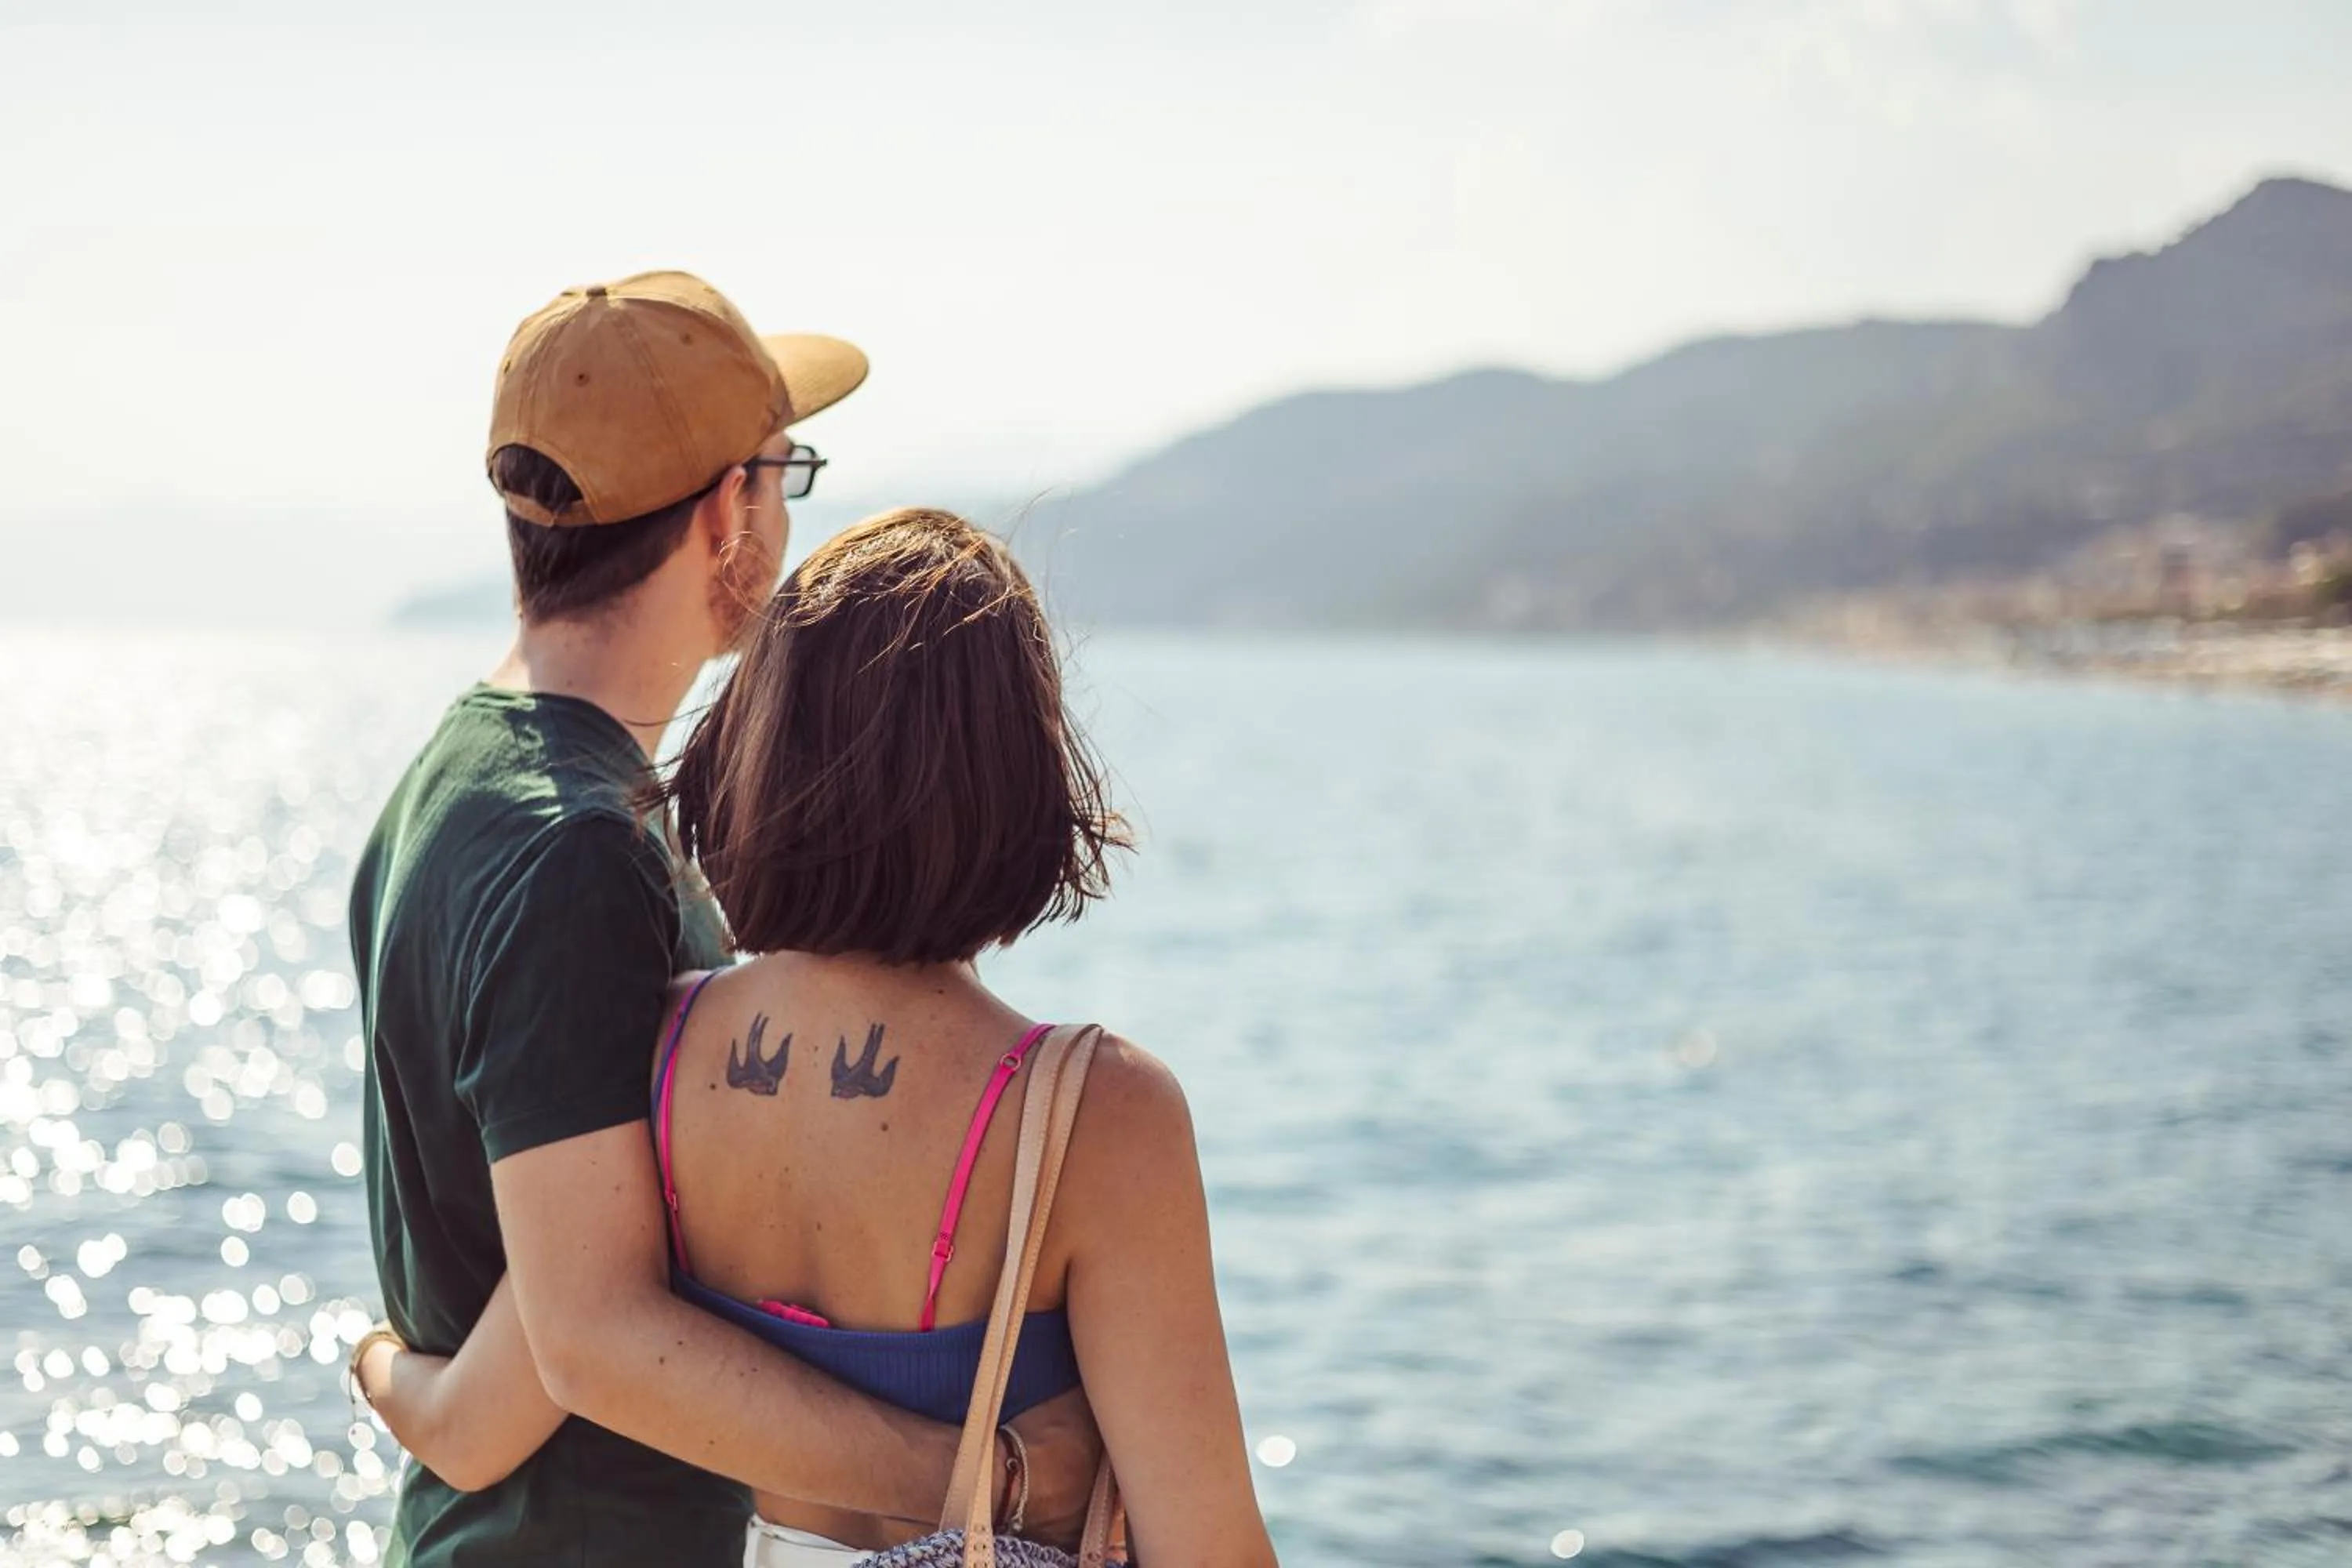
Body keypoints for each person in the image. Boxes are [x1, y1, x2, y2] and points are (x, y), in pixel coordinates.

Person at [357, 508, 1278, 1567]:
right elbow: (1213, 1547)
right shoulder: (1096, 1112)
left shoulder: (661, 1064)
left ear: (761, 747)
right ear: (1017, 776)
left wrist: (382, 1364)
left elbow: (528, 1378)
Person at [347, 274, 1098, 1568]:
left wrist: (386, 1373)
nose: (785, 516)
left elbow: (503, 1357)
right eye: (784, 472)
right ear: (723, 514)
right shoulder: (580, 851)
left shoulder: (444, 784)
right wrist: (988, 1481)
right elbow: (588, 1335)